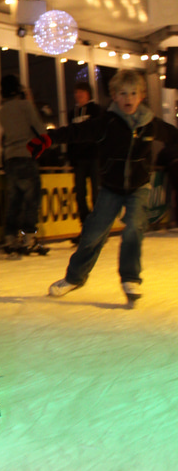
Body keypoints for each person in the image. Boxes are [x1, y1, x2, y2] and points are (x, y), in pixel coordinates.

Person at [40, 69, 178, 304]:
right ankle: (74, 278)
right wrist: (49, 138)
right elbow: (77, 131)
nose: (128, 98)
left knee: (134, 228)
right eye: (123, 93)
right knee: (93, 234)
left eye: (133, 93)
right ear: (114, 96)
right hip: (111, 188)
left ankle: (130, 278)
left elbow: (174, 135)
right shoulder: (107, 123)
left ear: (142, 96)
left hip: (138, 187)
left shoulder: (150, 124)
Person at [0, 75, 47, 254]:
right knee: (31, 200)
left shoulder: (1, 112)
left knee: (14, 201)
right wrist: (30, 101)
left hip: (10, 159)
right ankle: (28, 239)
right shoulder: (25, 106)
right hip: (26, 155)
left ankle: (10, 238)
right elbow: (39, 128)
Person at [66, 83, 101, 228]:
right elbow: (70, 136)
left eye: (81, 92)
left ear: (88, 94)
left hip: (94, 157)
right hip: (79, 159)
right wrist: (70, 157)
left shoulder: (96, 110)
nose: (78, 95)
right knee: (80, 193)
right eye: (76, 92)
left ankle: (98, 226)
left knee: (96, 193)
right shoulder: (72, 114)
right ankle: (86, 225)